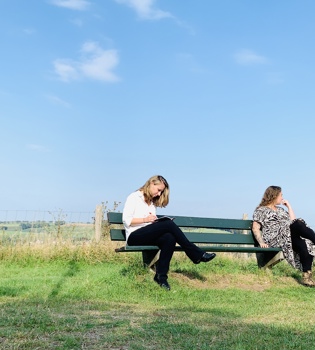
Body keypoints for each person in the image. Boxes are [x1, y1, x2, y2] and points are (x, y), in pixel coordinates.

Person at [122, 175, 216, 291]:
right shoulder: (134, 197)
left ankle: (161, 277)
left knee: (169, 237)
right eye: (159, 190)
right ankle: (195, 253)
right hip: (134, 236)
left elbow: (150, 226)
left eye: (161, 192)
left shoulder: (151, 203)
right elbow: (127, 221)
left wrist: (153, 222)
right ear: (152, 184)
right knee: (168, 224)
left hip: (147, 234)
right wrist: (145, 220)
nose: (159, 194)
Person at [252, 186, 315, 287]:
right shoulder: (261, 210)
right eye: (281, 195)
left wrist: (289, 207)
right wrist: (261, 242)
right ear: (274, 195)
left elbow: (293, 222)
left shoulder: (281, 210)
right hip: (276, 237)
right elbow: (255, 228)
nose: (282, 198)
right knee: (298, 223)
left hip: (288, 235)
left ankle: (307, 277)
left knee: (306, 243)